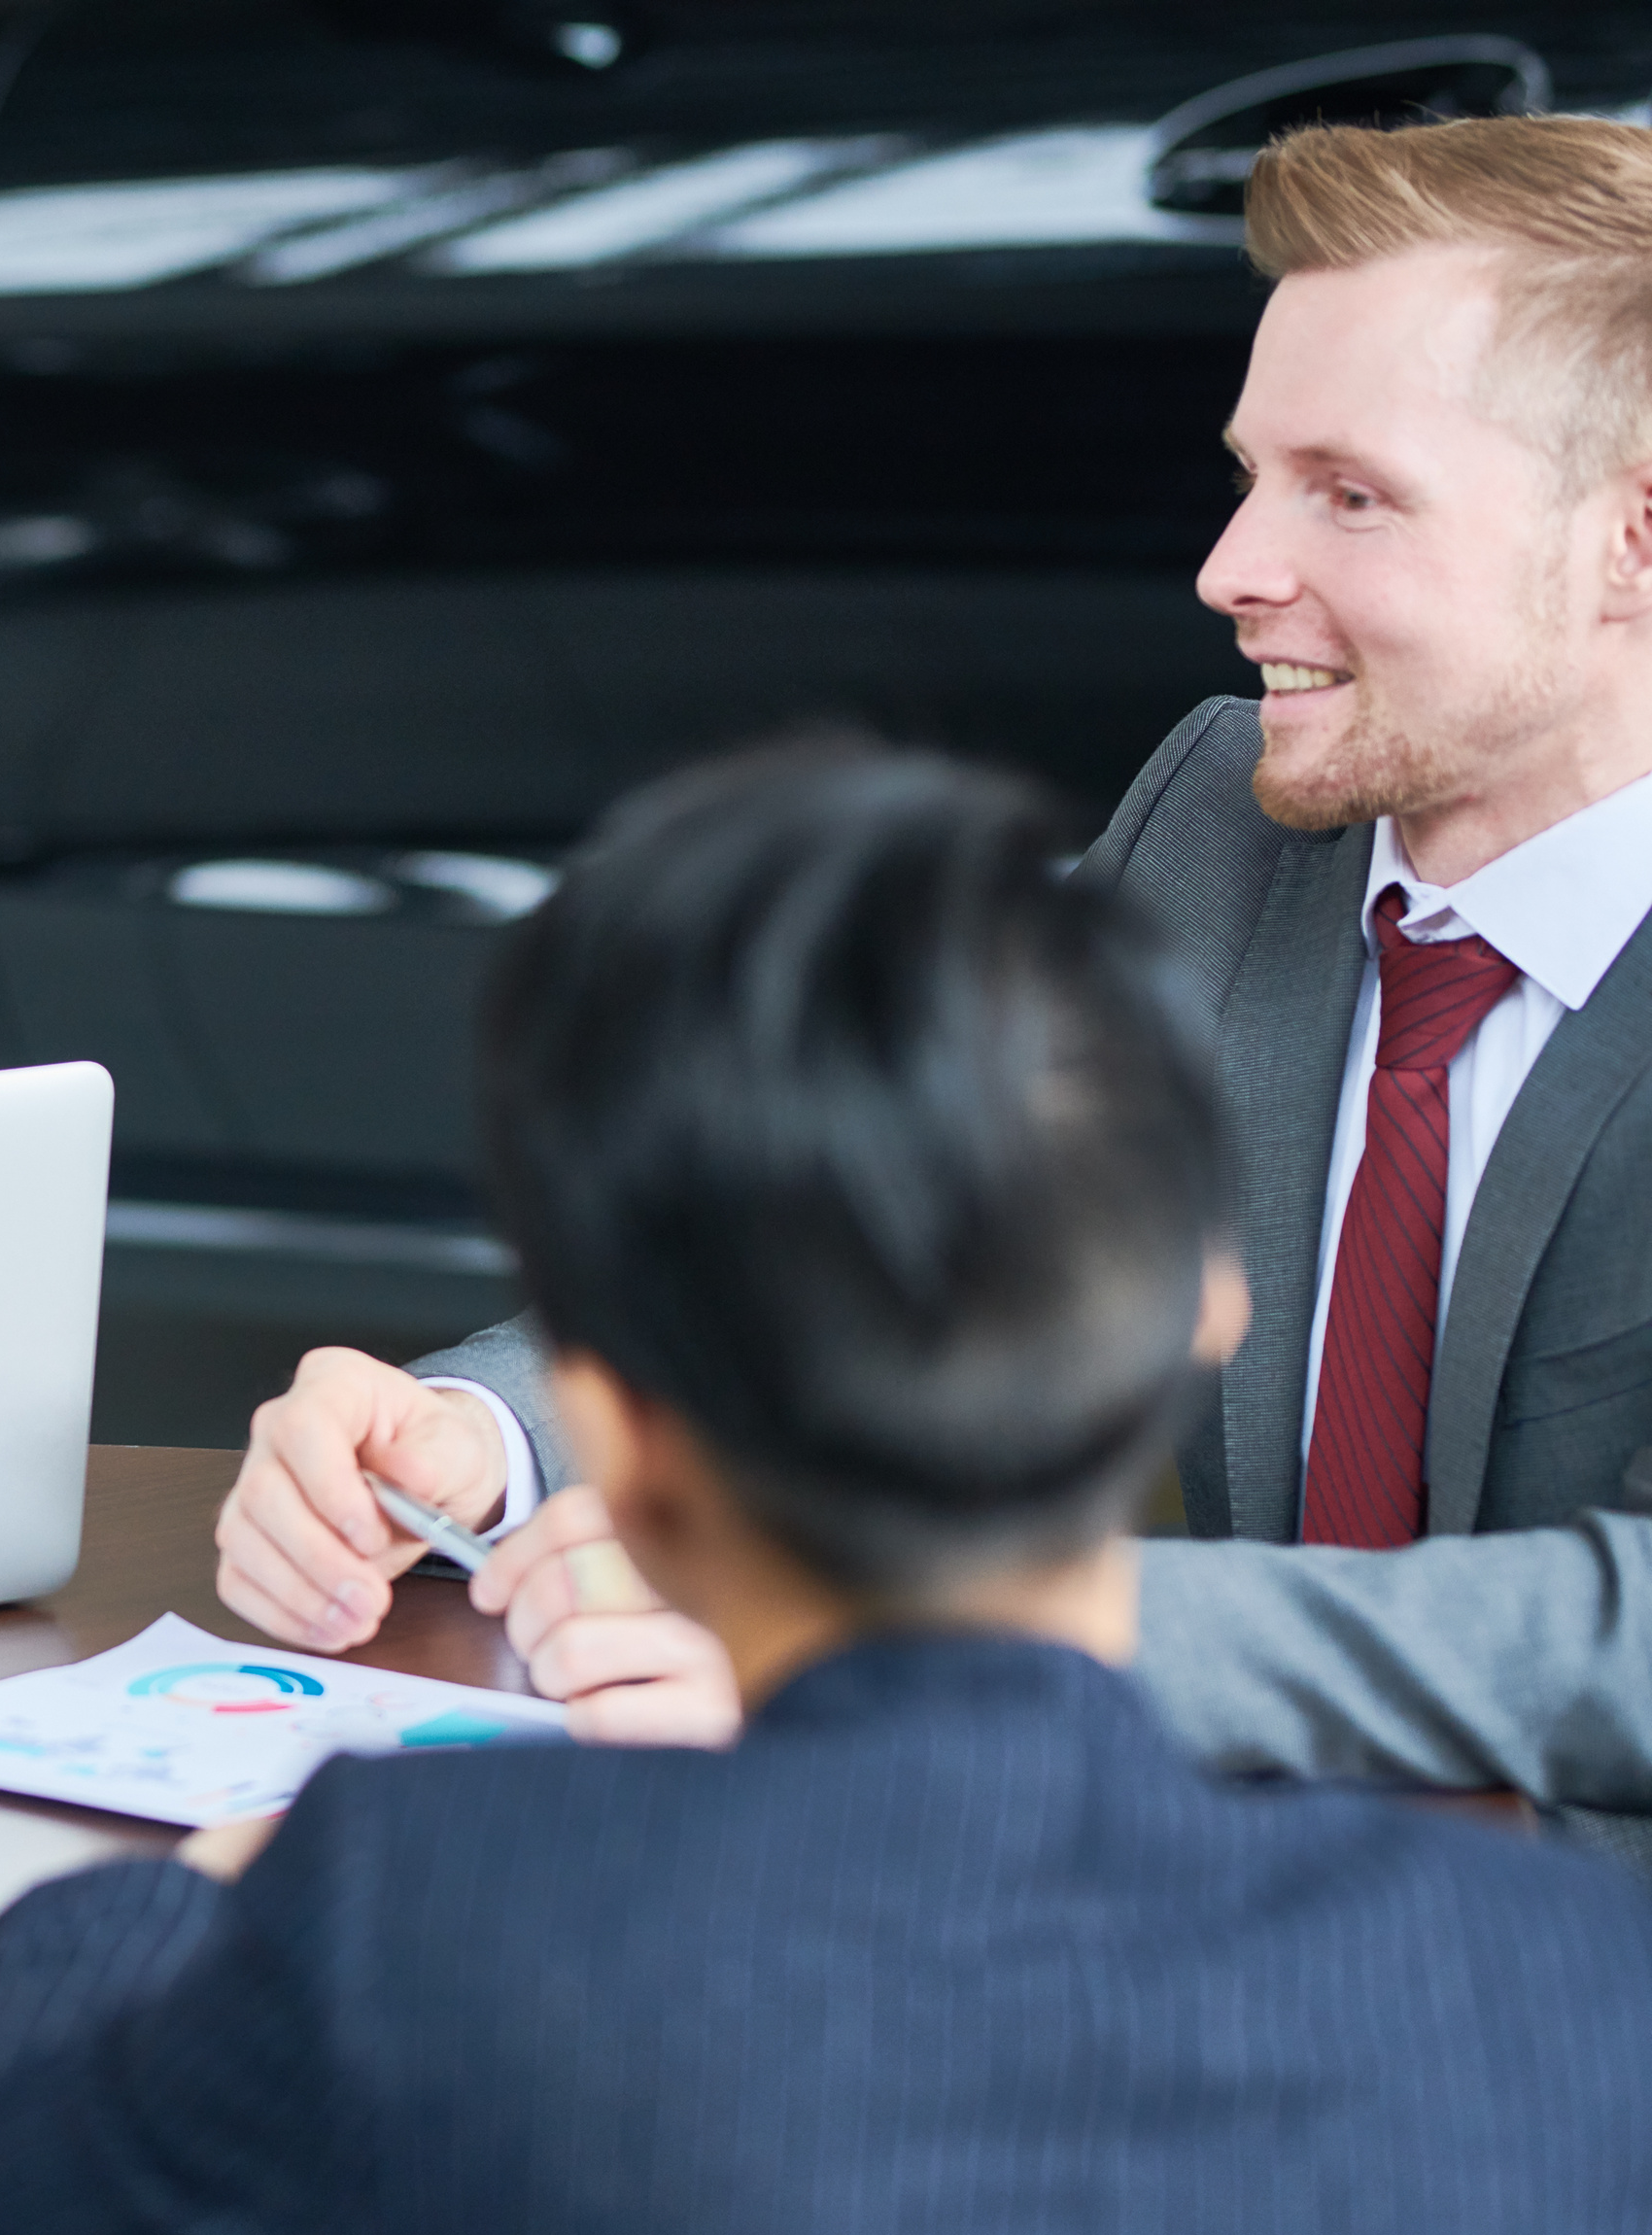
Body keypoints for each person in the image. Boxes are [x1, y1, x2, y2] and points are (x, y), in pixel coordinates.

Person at [0, 740, 1652, 2235]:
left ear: (613, 1408)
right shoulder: (1567, 2004)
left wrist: (188, 1893)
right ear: (1206, 1294)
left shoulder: (428, 1927)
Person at [212, 115, 1652, 1809]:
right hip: (1182, 1904)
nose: (1231, 571)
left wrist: (927, 1634)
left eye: (1350, 496)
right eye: (1254, 475)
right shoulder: (1229, 817)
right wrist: (497, 1438)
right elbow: (857, 1228)